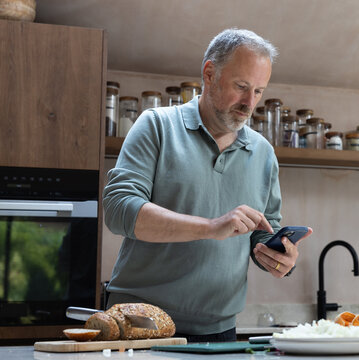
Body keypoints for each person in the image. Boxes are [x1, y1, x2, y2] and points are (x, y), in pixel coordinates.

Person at [102, 28, 313, 342]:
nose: (249, 102)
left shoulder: (264, 153)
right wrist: (211, 226)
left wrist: (279, 256)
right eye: (241, 86)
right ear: (210, 73)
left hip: (220, 330)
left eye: (258, 91)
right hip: (140, 323)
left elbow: (261, 232)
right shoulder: (156, 125)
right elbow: (119, 209)